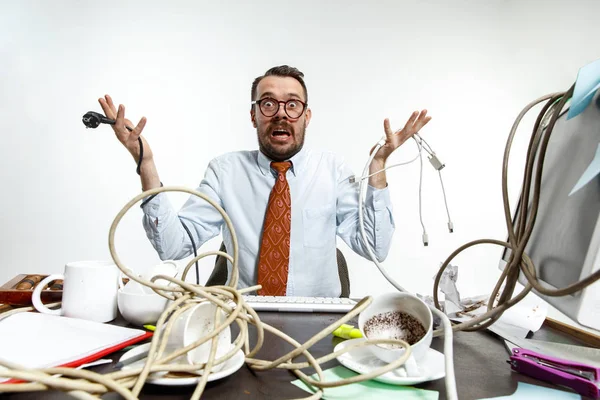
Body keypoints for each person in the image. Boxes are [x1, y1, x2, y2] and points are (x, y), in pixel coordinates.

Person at [99, 65, 431, 297]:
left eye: (293, 104)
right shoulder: (224, 172)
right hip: (241, 319)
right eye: (269, 103)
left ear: (306, 116)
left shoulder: (332, 170)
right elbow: (174, 247)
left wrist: (379, 165)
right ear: (254, 115)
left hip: (318, 319)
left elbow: (375, 248)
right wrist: (146, 163)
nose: (281, 114)